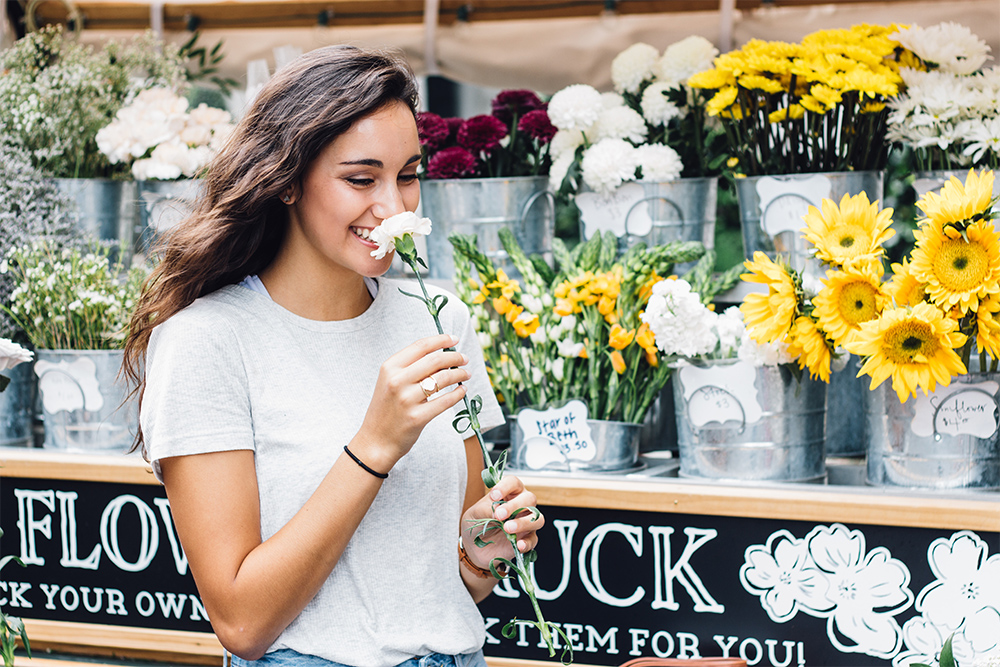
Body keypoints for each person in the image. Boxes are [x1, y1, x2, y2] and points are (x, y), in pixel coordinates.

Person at [122, 45, 544, 667]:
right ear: (287, 180)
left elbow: (452, 587)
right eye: (360, 178)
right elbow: (241, 622)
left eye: (407, 175)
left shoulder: (437, 318)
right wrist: (373, 445)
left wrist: (483, 548)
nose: (394, 208)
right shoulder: (206, 341)